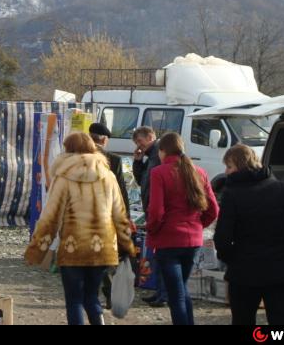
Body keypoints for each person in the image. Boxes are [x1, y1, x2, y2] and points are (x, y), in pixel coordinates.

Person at [25, 132, 136, 326]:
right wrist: (128, 246)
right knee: (92, 297)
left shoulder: (63, 178)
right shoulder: (108, 176)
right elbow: (120, 215)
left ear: (67, 150)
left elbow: (50, 218)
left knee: (74, 300)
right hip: (103, 247)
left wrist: (36, 250)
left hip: (73, 247)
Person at [214, 144, 284, 325]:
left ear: (241, 166)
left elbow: (222, 239)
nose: (226, 172)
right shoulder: (280, 189)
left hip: (244, 274)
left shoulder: (232, 194)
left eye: (229, 166)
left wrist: (232, 259)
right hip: (281, 272)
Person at [146, 132, 219, 325]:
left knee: (175, 294)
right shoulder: (199, 172)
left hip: (168, 240)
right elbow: (213, 209)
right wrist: (198, 225)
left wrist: (152, 230)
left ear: (163, 151)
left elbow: (156, 211)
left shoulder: (159, 173)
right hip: (193, 240)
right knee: (181, 288)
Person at [89, 122, 131, 309]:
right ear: (104, 140)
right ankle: (108, 294)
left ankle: (90, 294)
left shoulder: (75, 158)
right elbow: (121, 192)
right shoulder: (113, 160)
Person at [132, 126, 167, 306]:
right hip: (151, 209)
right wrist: (138, 162)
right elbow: (142, 181)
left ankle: (163, 294)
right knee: (158, 254)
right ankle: (160, 292)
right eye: (137, 142)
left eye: (140, 141)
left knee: (162, 255)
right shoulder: (150, 157)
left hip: (158, 212)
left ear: (151, 136)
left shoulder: (159, 154)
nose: (139, 145)